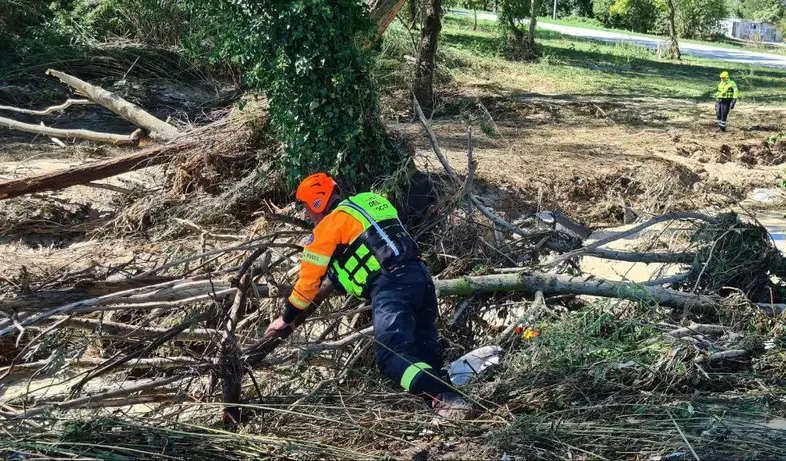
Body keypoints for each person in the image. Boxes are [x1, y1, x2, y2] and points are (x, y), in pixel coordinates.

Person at [264, 172, 471, 418]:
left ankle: (442, 396)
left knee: (389, 356)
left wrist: (287, 317)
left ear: (317, 203)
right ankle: (448, 402)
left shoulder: (326, 228)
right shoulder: (372, 201)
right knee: (424, 349)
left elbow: (307, 284)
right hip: (420, 276)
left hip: (391, 286)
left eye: (307, 208)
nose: (306, 215)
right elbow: (370, 248)